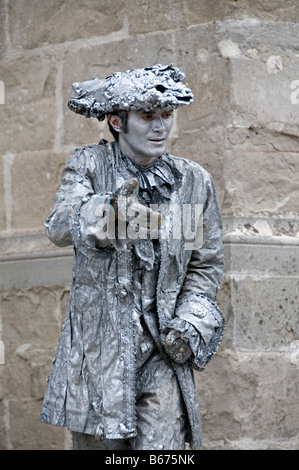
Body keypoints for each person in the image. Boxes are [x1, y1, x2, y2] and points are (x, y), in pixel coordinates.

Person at [40, 64, 225, 450]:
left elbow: (202, 264)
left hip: (162, 350)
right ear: (116, 120)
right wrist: (107, 214)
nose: (160, 127)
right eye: (147, 115)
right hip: (99, 354)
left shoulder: (190, 181)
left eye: (166, 115)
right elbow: (59, 224)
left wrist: (190, 320)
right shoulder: (90, 165)